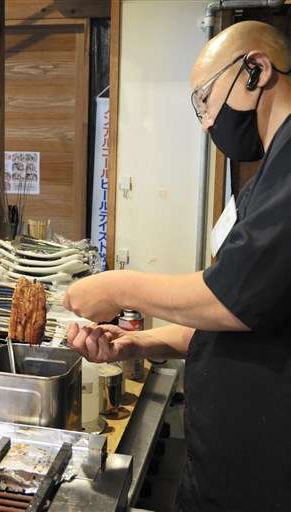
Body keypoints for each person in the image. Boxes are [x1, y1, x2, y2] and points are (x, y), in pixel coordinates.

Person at [64, 20, 291, 512]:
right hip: (222, 466)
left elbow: (230, 298)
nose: (207, 122)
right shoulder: (266, 176)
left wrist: (118, 287)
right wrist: (138, 341)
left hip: (263, 481)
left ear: (256, 70)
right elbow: (236, 316)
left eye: (205, 100)